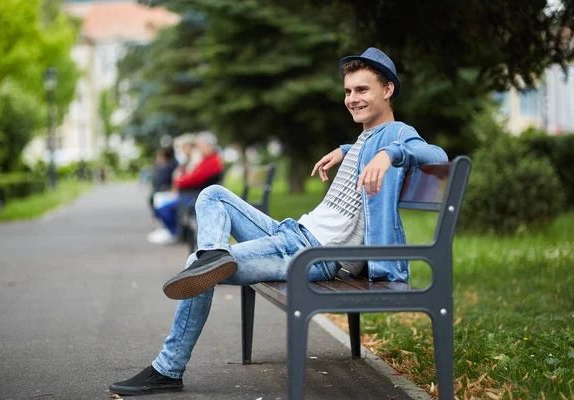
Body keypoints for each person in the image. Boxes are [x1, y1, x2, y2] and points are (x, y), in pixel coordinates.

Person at [110, 47, 448, 396]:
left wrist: (390, 154)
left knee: (195, 268)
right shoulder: (366, 139)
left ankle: (168, 367)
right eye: (348, 91)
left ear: (388, 90)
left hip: (316, 255)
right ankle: (212, 255)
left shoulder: (397, 135)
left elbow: (437, 156)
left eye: (362, 90)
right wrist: (349, 150)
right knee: (212, 195)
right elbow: (368, 148)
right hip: (292, 232)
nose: (352, 99)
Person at [148, 132, 225, 245]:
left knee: (164, 208)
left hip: (196, 195)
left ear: (209, 146)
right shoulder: (207, 160)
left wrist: (179, 181)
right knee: (160, 203)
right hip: (194, 194)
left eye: (199, 146)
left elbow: (194, 178)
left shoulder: (212, 161)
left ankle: (176, 233)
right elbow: (192, 176)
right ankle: (175, 232)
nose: (198, 149)